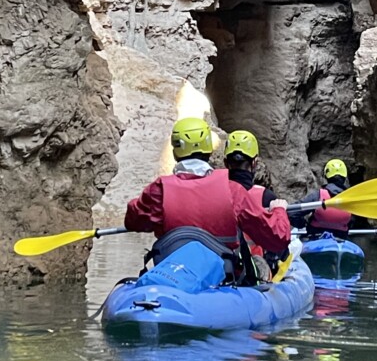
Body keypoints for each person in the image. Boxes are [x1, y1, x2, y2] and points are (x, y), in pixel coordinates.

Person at [124, 118, 290, 281]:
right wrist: (279, 210)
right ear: (210, 150)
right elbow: (277, 238)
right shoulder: (232, 190)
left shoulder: (159, 190)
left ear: (175, 152)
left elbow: (133, 221)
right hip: (222, 280)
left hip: (172, 276)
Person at [224, 129, 281, 280]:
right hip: (253, 271)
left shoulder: (215, 192)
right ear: (254, 163)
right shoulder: (266, 197)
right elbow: (278, 241)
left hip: (221, 267)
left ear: (226, 163)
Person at [295, 159, 353, 239]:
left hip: (316, 238)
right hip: (341, 240)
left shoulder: (317, 196)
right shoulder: (351, 199)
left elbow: (293, 213)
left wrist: (303, 224)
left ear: (326, 176)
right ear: (345, 177)